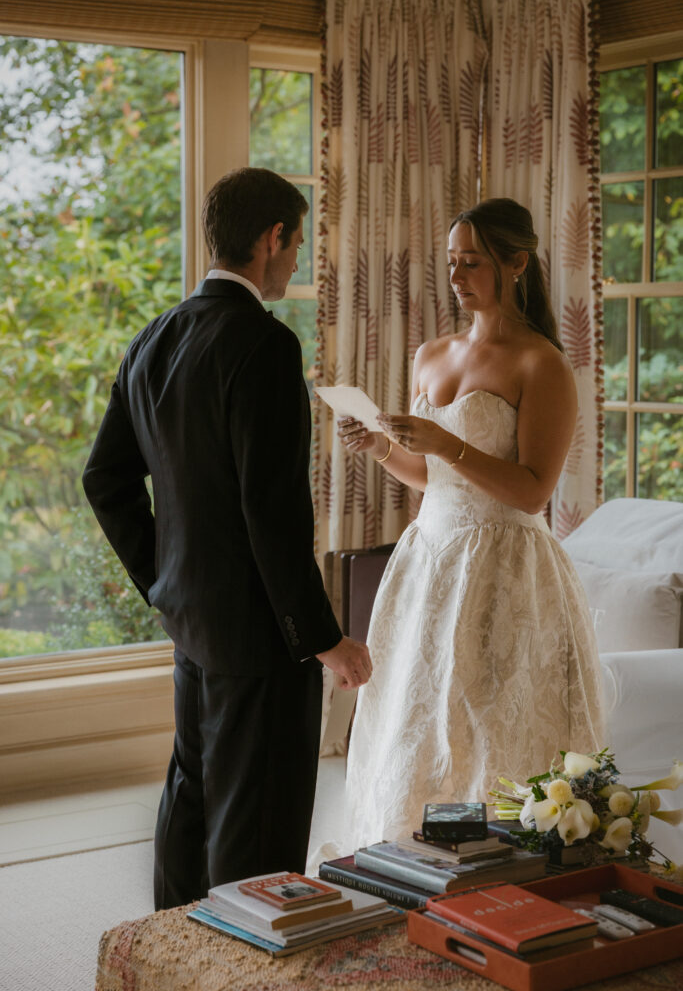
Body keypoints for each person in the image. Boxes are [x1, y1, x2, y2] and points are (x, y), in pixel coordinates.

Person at [82, 167, 371, 909]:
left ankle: (172, 946)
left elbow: (104, 479)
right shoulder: (265, 345)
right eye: (296, 244)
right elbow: (272, 514)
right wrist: (323, 639)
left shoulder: (151, 340)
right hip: (259, 635)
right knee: (257, 825)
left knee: (194, 796)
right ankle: (240, 960)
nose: (296, 262)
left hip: (191, 621)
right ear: (271, 238)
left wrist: (164, 578)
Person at [337, 197, 606, 849]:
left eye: (472, 263)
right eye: (451, 261)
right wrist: (382, 448)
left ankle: (500, 862)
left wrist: (446, 442)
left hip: (506, 567)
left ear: (516, 264)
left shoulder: (541, 363)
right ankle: (409, 856)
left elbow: (532, 491)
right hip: (430, 559)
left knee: (490, 723)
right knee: (422, 719)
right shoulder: (430, 354)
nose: (455, 276)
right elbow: (436, 478)